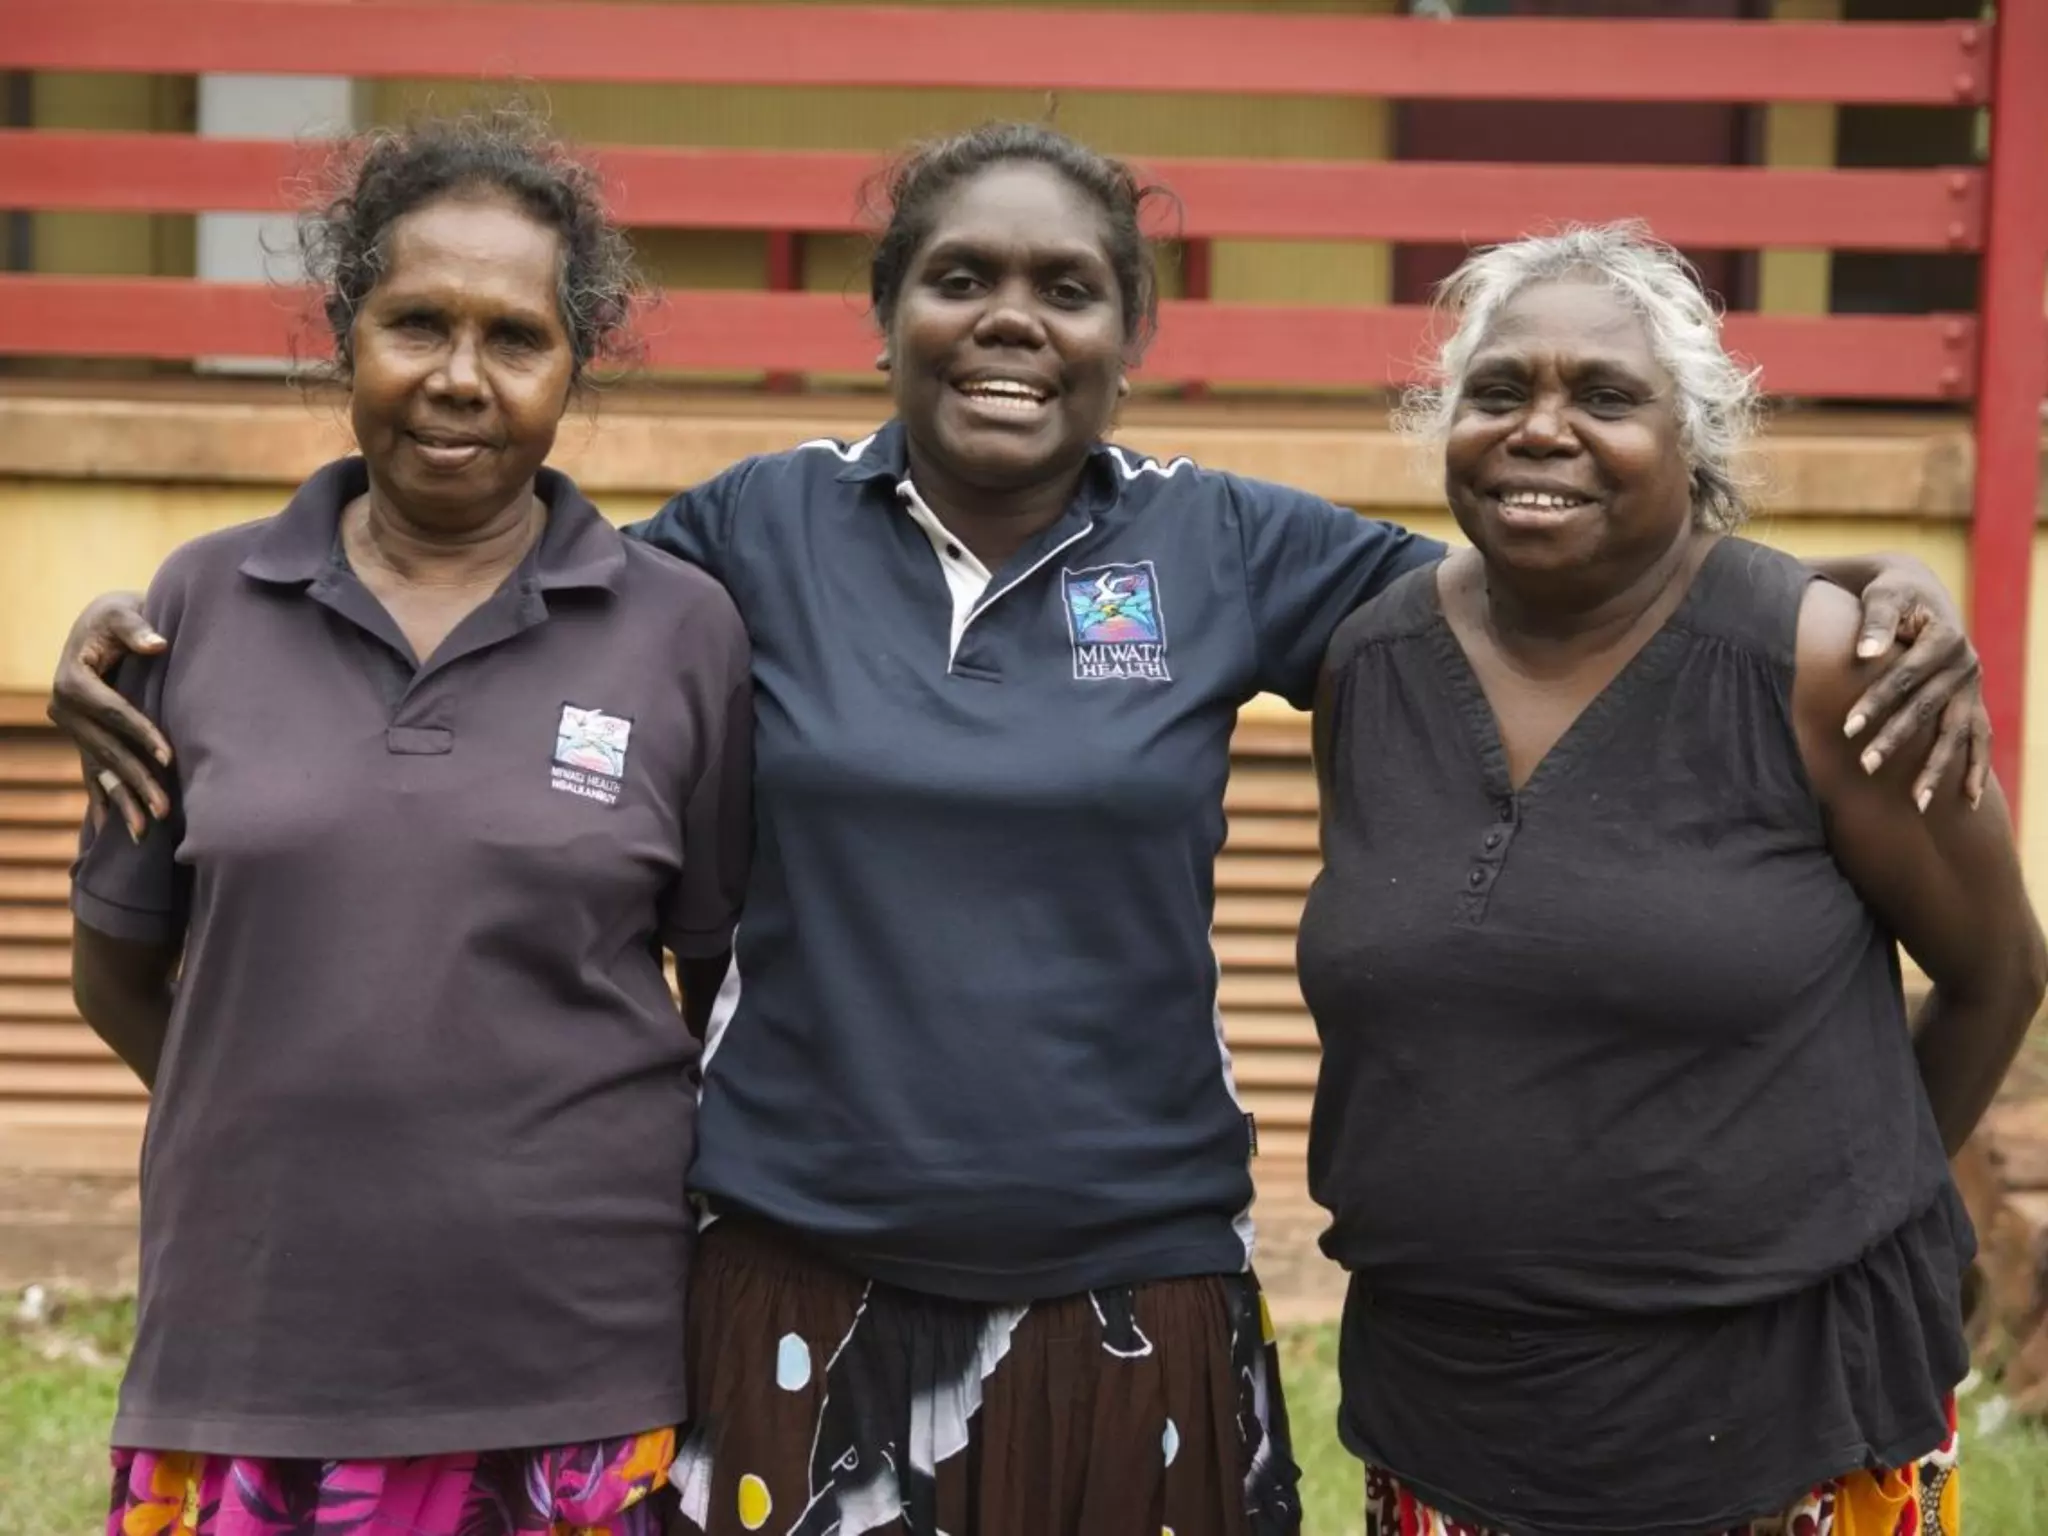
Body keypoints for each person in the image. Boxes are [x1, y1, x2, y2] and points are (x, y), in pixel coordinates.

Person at [52, 126, 1991, 1536]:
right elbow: (488, 626)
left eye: (1064, 285)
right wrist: (171, 633)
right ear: (885, 310)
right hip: (799, 1279)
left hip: (1133, 1289)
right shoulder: (749, 535)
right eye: (958, 277)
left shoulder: (1228, 545)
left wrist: (1838, 593)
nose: (1010, 320)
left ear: (1128, 328)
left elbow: (1557, 590)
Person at [1299, 223, 2048, 1536]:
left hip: (1781, 1423)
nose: (1542, 428)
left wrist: (1850, 1211)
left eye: (1605, 396)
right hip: (1450, 1414)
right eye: (1499, 391)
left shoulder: (1826, 669)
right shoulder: (1372, 669)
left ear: (1695, 441)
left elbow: (1999, 973)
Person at [66, 115, 752, 1536]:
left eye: (515, 338)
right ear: (342, 331)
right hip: (245, 1352)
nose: (458, 378)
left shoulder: (680, 633)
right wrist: (300, 1120)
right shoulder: (193, 605)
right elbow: (119, 972)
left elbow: (718, 990)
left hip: (578, 1370)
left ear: (577, 364)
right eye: (416, 323)